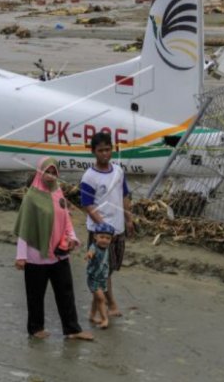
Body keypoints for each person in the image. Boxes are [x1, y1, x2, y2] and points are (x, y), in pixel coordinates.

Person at [13, 157, 94, 341]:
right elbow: (24, 229)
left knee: (66, 292)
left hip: (59, 254)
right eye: (47, 172)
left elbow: (66, 220)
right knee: (35, 295)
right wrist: (21, 256)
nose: (50, 176)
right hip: (36, 255)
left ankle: (72, 329)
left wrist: (72, 238)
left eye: (53, 172)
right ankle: (35, 329)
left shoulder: (58, 193)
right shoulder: (31, 198)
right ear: (40, 172)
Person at [80, 131, 134, 318]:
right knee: (103, 270)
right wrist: (103, 228)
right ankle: (111, 304)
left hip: (118, 229)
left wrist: (128, 219)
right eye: (101, 150)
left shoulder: (118, 171)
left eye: (108, 149)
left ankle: (94, 309)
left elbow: (124, 195)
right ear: (94, 152)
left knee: (110, 268)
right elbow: (87, 204)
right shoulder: (89, 177)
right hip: (100, 232)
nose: (105, 153)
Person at [85, 222, 115, 329]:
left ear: (111, 240)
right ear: (95, 237)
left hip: (102, 278)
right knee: (102, 299)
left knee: (96, 299)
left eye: (108, 238)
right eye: (101, 237)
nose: (104, 240)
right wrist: (89, 254)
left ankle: (92, 316)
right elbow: (91, 251)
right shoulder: (94, 247)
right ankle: (104, 319)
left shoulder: (106, 248)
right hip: (93, 279)